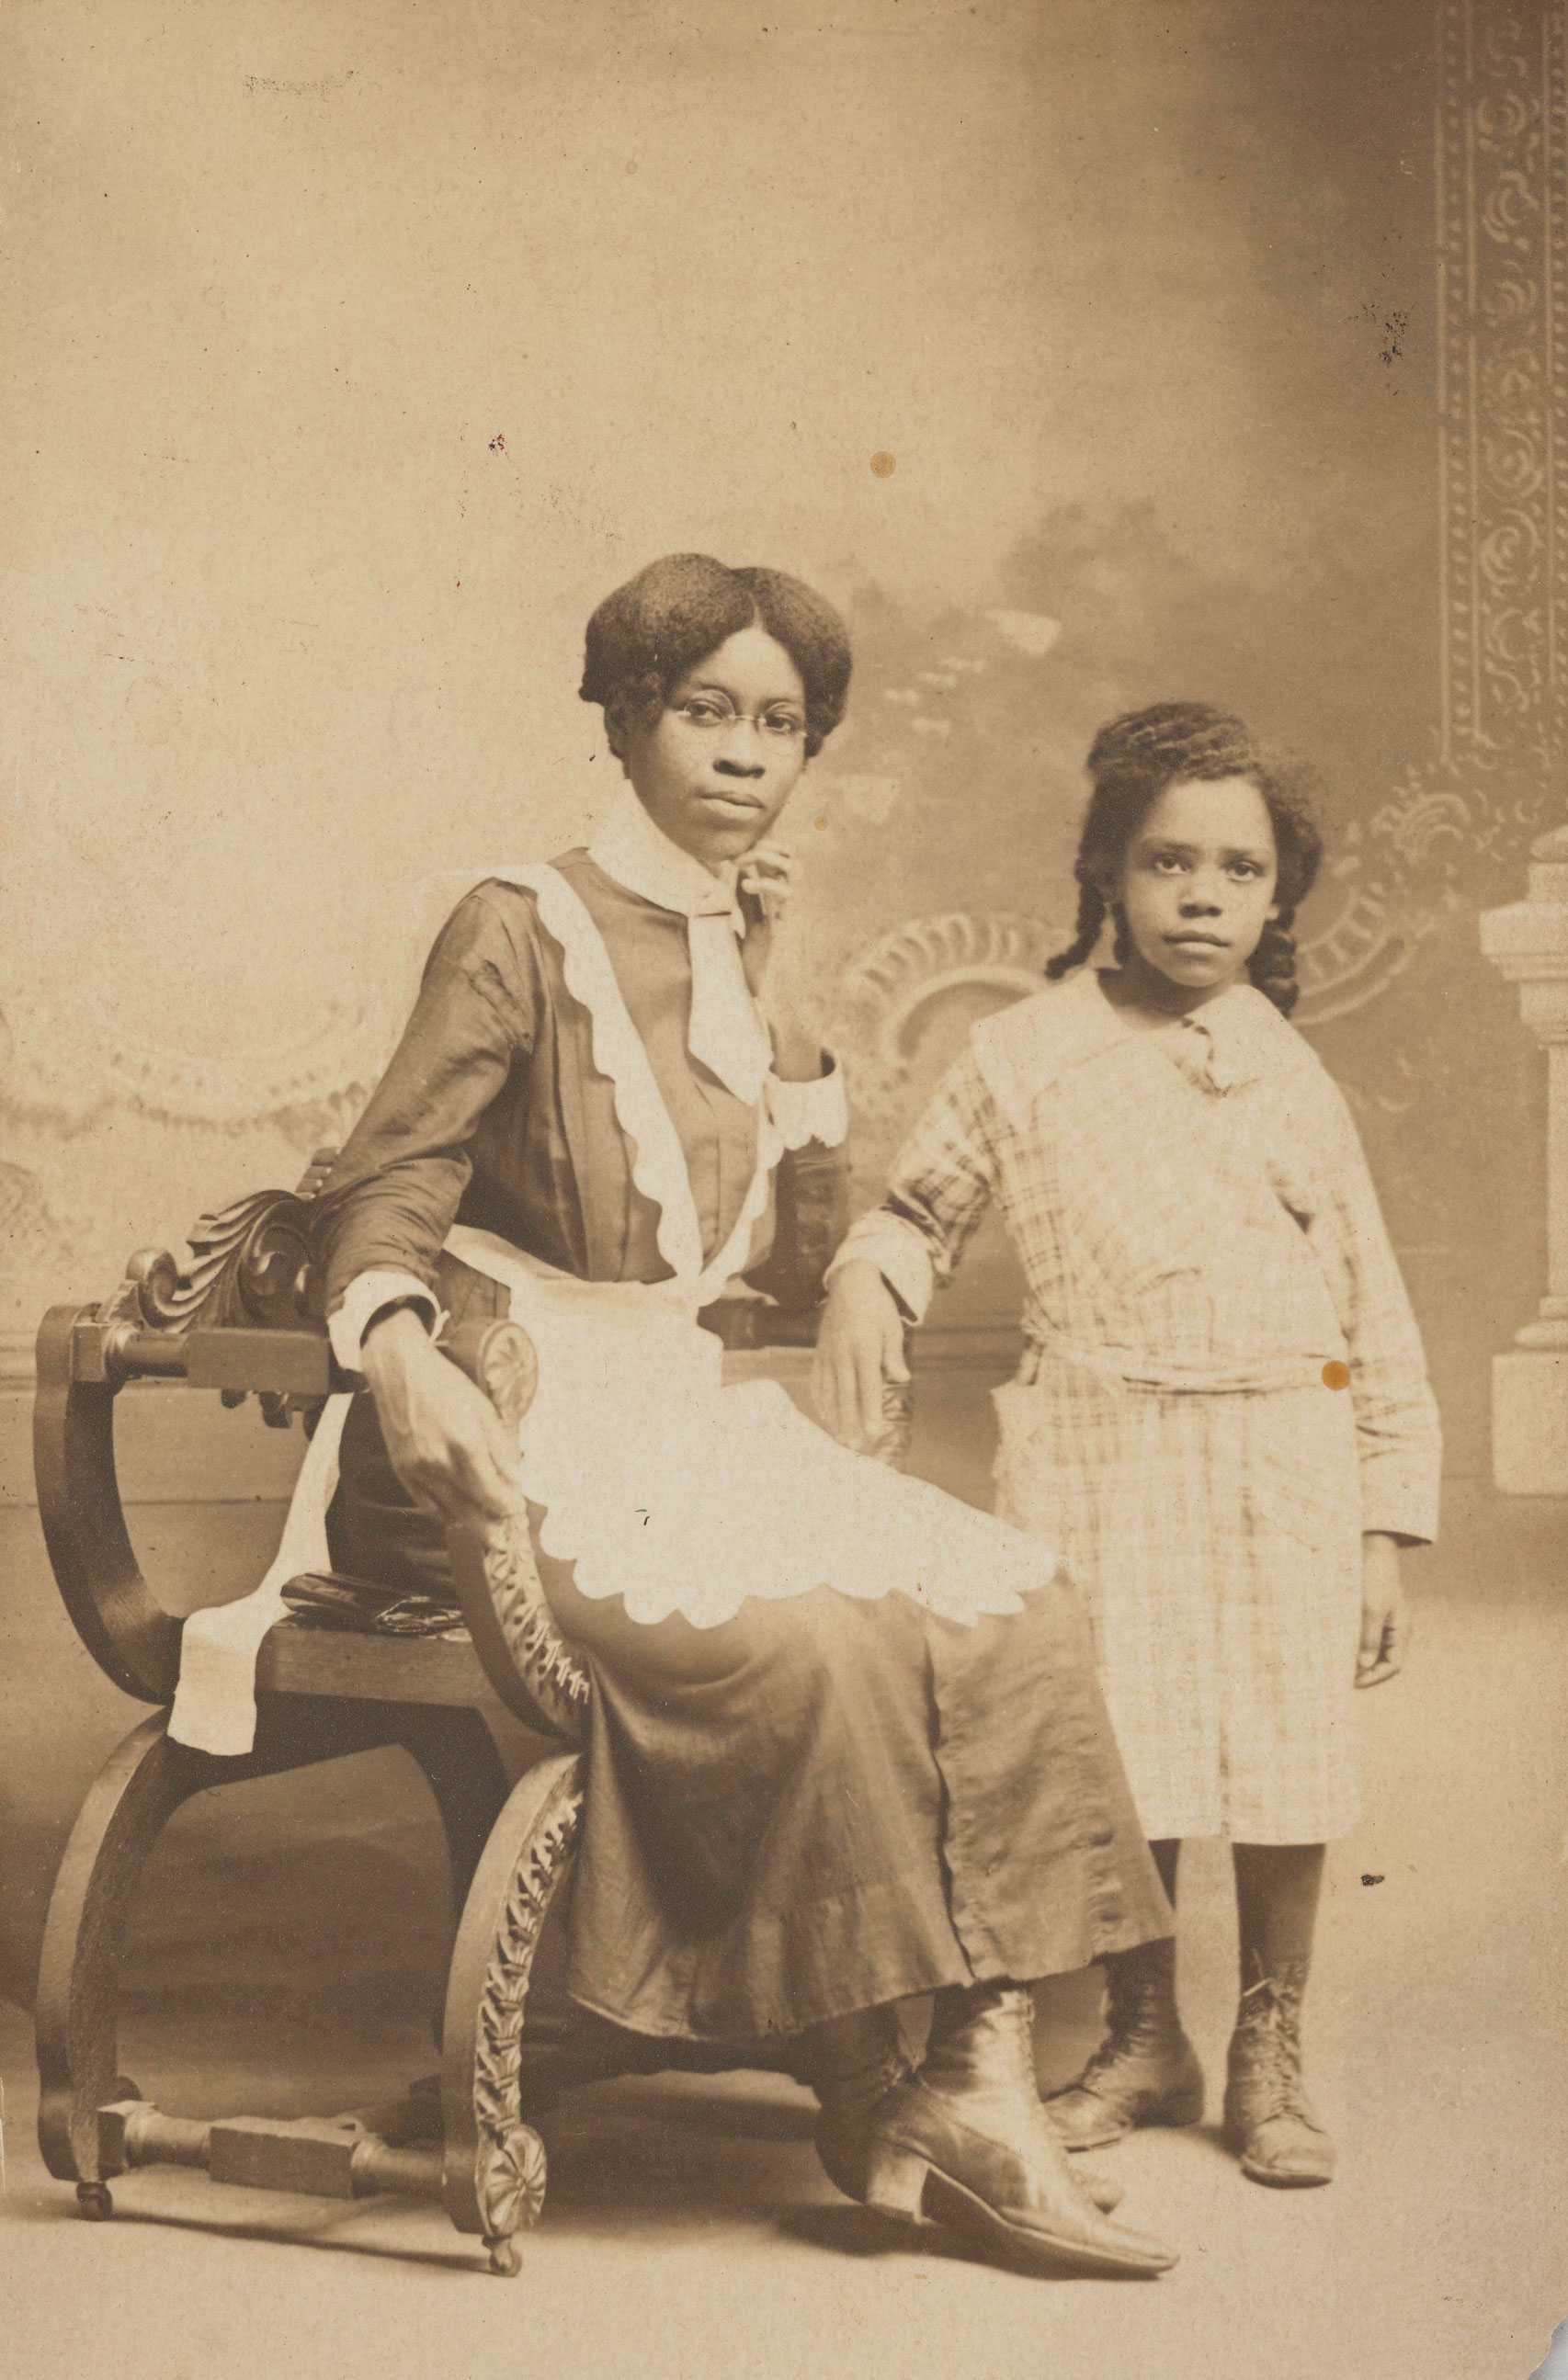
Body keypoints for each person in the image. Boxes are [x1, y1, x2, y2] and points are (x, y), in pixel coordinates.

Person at [301, 555, 1179, 2278]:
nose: (744, 754)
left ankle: (964, 2073)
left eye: (781, 724)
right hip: (499, 1441)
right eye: (707, 710)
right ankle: (878, 2058)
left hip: (671, 1420)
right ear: (627, 717)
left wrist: (777, 996)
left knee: (1008, 1597)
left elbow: (773, 1254)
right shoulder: (516, 919)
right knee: (813, 1648)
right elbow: (383, 1179)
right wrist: (397, 1356)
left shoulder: (738, 940)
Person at [815, 701, 1440, 2191]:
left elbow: (1371, 1302)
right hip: (1097, 1440)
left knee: (1281, 1758)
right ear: (1106, 870)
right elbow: (916, 1212)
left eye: (1239, 868)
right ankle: (1143, 2031)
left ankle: (1264, 2045)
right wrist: (860, 1279)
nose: (1203, 897)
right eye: (1168, 863)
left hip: (1275, 1446)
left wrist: (1377, 1531)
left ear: (1278, 891)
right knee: (1122, 1751)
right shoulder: (1020, 1054)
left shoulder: (1287, 1072)